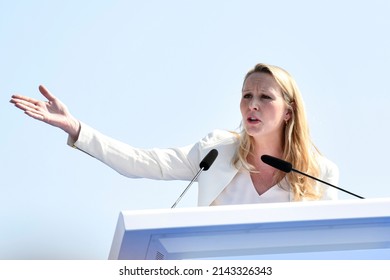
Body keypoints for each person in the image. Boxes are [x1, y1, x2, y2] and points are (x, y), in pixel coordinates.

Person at [10, 63, 338, 206]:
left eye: (265, 97)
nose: (252, 104)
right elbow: (141, 162)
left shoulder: (319, 174)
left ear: (289, 112)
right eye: (246, 95)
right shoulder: (216, 153)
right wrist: (77, 129)